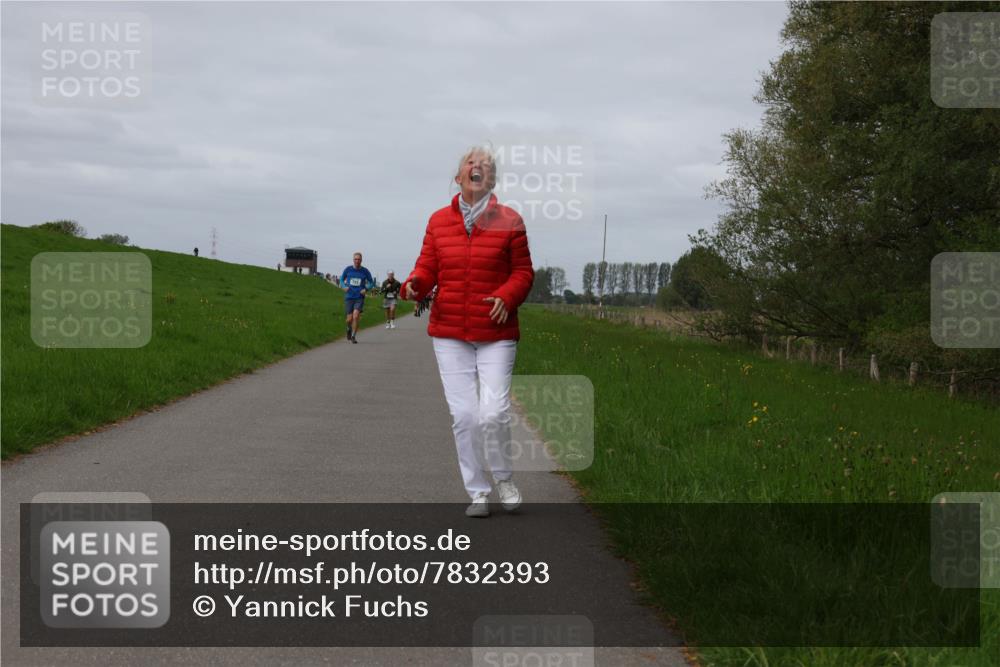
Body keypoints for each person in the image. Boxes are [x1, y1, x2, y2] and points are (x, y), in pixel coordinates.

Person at [401, 145, 534, 518]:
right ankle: (478, 492)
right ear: (458, 177)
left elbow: (523, 273)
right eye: (470, 163)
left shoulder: (511, 221)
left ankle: (504, 479)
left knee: (493, 412)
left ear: (492, 179)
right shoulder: (438, 221)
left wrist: (507, 296)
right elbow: (427, 267)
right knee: (465, 415)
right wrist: (414, 285)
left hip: (496, 330)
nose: (478, 167)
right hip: (449, 331)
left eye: (486, 165)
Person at [339, 252, 374, 344]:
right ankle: (348, 329)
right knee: (349, 319)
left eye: (359, 259)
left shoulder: (365, 271)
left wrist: (366, 289)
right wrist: (343, 286)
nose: (357, 261)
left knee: (356, 316)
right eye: (355, 259)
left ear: (361, 260)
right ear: (353, 260)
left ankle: (353, 336)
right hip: (349, 296)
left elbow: (371, 282)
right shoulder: (348, 269)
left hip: (359, 297)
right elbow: (342, 279)